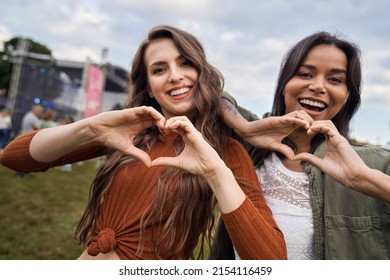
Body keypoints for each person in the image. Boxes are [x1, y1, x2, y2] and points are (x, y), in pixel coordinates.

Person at [0, 25, 286, 260]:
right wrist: (90, 127)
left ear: (202, 73)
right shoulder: (131, 133)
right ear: (149, 86)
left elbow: (272, 261)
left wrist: (215, 171)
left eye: (185, 63)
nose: (175, 76)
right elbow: (15, 157)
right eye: (159, 70)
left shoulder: (227, 151)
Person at [213, 31, 390, 260]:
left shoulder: (377, 163)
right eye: (305, 74)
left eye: (335, 79)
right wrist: (244, 127)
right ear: (284, 83)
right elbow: (205, 89)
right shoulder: (249, 145)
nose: (318, 86)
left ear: (348, 96)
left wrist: (362, 178)